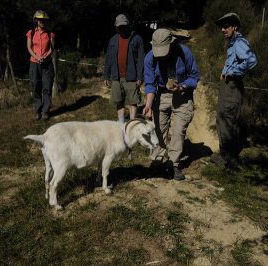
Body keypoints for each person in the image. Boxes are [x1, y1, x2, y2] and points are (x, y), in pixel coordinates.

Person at [143, 28, 200, 181]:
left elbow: (195, 76)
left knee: (179, 130)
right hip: (161, 94)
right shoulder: (149, 58)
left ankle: (173, 163)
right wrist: (148, 104)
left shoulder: (185, 53)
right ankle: (156, 161)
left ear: (172, 44)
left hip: (182, 94)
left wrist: (181, 87)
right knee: (158, 128)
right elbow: (150, 84)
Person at [210, 13, 257, 168]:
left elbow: (251, 60)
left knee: (227, 120)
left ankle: (228, 158)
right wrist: (226, 71)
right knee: (223, 119)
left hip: (232, 86)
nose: (223, 29)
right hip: (228, 86)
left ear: (234, 27)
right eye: (221, 27)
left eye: (226, 26)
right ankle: (227, 156)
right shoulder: (233, 43)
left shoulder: (239, 42)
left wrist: (233, 72)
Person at [104, 14, 145, 123]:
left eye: (124, 26)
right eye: (119, 27)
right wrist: (106, 76)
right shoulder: (113, 40)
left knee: (133, 102)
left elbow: (141, 59)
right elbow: (108, 59)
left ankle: (131, 124)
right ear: (115, 27)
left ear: (128, 25)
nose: (122, 29)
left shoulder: (137, 39)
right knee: (119, 102)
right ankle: (121, 124)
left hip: (132, 77)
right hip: (117, 77)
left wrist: (140, 76)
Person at [26, 10, 55, 121]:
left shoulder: (50, 34)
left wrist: (45, 57)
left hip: (46, 64)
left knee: (47, 87)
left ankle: (45, 112)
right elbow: (29, 47)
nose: (42, 22)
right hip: (34, 63)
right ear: (36, 21)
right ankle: (37, 112)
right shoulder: (31, 33)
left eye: (44, 20)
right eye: (40, 20)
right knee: (36, 87)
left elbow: (51, 49)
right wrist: (36, 57)